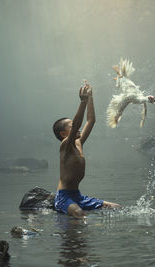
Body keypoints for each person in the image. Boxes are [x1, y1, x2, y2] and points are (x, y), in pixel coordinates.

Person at [53, 81, 120, 218]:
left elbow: (90, 120)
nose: (77, 127)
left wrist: (90, 97)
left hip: (77, 195)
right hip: (64, 197)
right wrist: (82, 102)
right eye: (72, 126)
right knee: (79, 214)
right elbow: (79, 122)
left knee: (116, 208)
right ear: (64, 134)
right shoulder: (65, 146)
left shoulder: (78, 143)